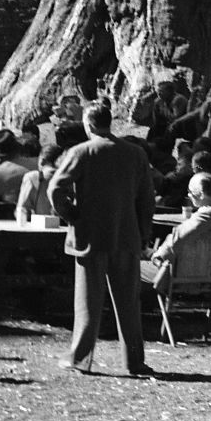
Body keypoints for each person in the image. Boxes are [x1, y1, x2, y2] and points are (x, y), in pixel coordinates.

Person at [48, 101, 158, 378]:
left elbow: (56, 188)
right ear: (110, 122)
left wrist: (71, 214)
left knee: (88, 303)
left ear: (88, 124)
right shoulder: (136, 154)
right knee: (128, 303)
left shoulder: (82, 151)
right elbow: (146, 199)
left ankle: (80, 358)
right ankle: (134, 361)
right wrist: (143, 233)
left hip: (90, 235)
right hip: (126, 235)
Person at [140, 172, 211, 327]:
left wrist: (156, 256)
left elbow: (177, 239)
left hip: (180, 276)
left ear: (202, 194)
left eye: (191, 192)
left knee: (125, 267)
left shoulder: (205, 216)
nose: (189, 196)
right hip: (204, 276)